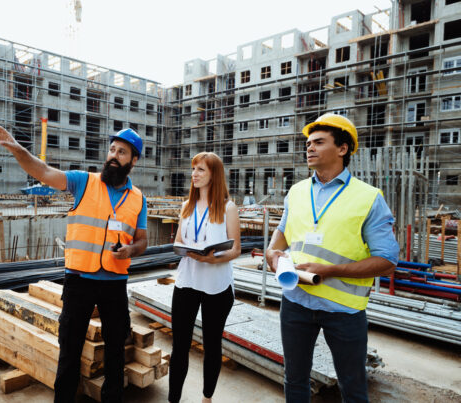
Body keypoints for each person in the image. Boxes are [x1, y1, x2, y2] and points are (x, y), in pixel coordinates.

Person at [0, 122, 148, 403]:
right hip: (79, 281)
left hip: (115, 284)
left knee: (115, 353)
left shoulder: (138, 199)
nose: (113, 155)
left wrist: (130, 250)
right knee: (69, 349)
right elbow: (44, 172)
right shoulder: (83, 181)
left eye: (121, 152)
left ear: (133, 160)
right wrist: (18, 150)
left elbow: (143, 241)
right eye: (111, 149)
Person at [265, 113, 399, 402]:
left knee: (352, 387)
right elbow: (282, 232)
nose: (309, 148)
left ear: (342, 149)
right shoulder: (296, 192)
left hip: (344, 311)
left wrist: (331, 270)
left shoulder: (368, 198)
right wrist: (272, 252)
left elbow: (387, 261)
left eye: (319, 142)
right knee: (295, 379)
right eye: (308, 142)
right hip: (296, 302)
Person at [168, 152, 241, 403]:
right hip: (187, 280)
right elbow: (178, 240)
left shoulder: (228, 207)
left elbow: (236, 249)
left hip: (217, 286)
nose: (194, 174)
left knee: (212, 346)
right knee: (179, 347)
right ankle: (173, 399)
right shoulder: (186, 207)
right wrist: (184, 249)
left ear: (214, 175)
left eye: (201, 170)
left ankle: (206, 398)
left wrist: (212, 258)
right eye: (194, 169)